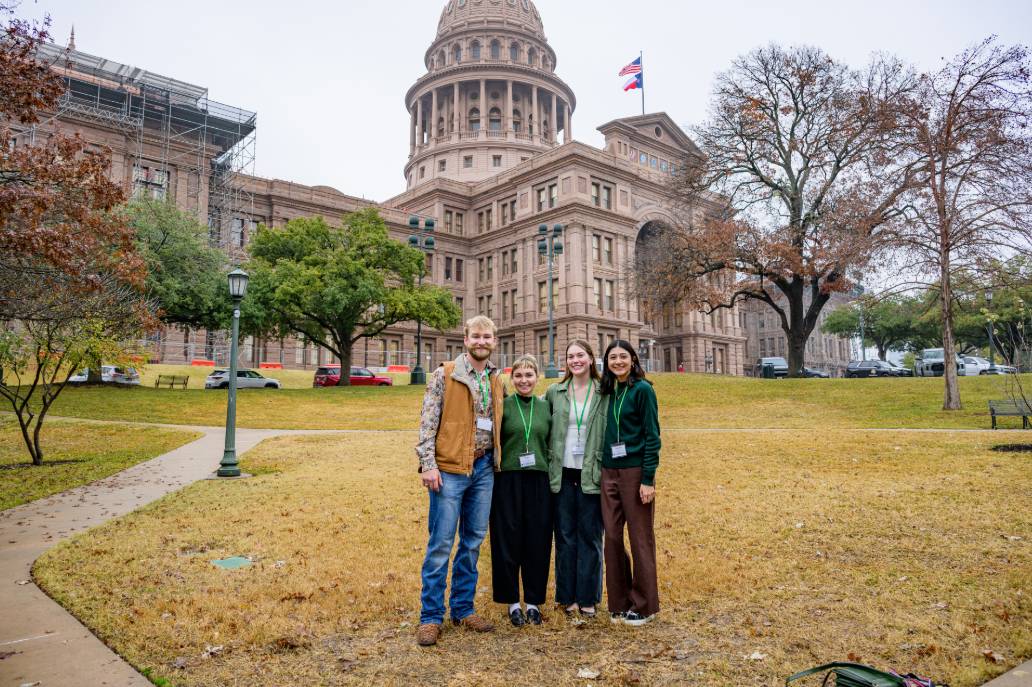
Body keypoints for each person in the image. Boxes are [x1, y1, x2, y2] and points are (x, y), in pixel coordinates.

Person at [414, 316, 504, 646]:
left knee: (472, 543)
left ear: (494, 341)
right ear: (465, 339)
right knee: (440, 544)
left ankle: (463, 608)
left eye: (487, 337)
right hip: (450, 469)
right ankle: (430, 617)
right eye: (476, 336)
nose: (482, 341)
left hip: (482, 471)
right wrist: (427, 465)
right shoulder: (446, 374)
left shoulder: (496, 378)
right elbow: (427, 422)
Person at [599, 339, 661, 626]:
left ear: (633, 359)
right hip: (609, 471)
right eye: (613, 358)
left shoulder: (643, 390)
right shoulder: (609, 391)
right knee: (611, 537)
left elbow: (653, 436)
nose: (618, 362)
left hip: (635, 472)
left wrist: (647, 479)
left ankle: (645, 604)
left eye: (623, 356)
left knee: (640, 539)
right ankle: (619, 601)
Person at [489, 355, 552, 627]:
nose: (524, 380)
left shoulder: (546, 407)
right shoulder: (503, 406)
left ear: (537, 378)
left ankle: (534, 602)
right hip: (508, 479)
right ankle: (512, 601)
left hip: (539, 479)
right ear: (511, 379)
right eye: (518, 376)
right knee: (507, 539)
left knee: (537, 540)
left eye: (529, 375)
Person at [545, 340, 606, 619]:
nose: (575, 360)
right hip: (562, 474)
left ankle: (588, 597)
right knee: (566, 537)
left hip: (591, 474)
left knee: (591, 537)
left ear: (591, 359)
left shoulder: (604, 391)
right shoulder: (555, 392)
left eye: (580, 355)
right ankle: (567, 596)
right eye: (570, 356)